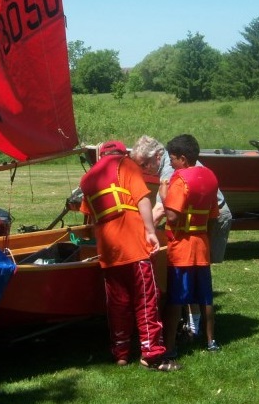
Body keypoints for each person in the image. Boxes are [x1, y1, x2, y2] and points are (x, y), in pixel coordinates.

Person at [79, 140, 180, 371]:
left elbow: (90, 215)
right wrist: (150, 231)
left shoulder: (87, 179)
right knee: (146, 300)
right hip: (134, 245)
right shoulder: (126, 165)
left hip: (109, 250)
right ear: (121, 152)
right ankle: (151, 354)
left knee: (118, 304)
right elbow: (143, 199)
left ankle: (121, 353)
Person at [131, 135, 232, 338]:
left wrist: (136, 232)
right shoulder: (174, 162)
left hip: (207, 220)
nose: (142, 169)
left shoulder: (172, 170)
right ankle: (197, 327)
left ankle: (193, 326)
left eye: (144, 164)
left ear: (159, 157)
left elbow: (162, 210)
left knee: (189, 276)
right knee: (195, 278)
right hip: (200, 220)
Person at [157, 134, 221, 355]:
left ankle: (171, 347)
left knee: (176, 298)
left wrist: (164, 196)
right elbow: (214, 216)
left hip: (182, 248)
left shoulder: (179, 179)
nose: (171, 163)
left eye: (173, 159)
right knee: (205, 297)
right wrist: (207, 239)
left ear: (183, 159)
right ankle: (211, 342)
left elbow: (173, 218)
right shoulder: (211, 177)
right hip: (201, 245)